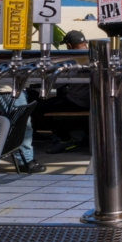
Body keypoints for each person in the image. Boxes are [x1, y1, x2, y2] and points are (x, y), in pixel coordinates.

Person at [30, 30, 91, 162]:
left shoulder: (72, 61)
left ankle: (65, 139)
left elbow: (57, 85)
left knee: (37, 106)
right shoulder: (95, 55)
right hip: (93, 101)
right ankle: (86, 136)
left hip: (77, 101)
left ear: (69, 45)